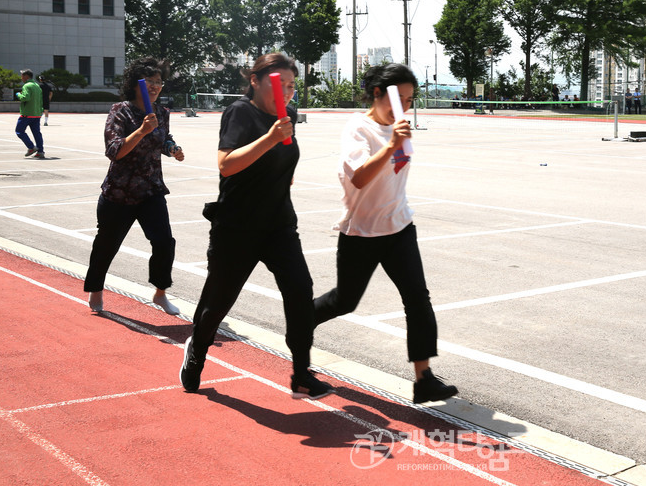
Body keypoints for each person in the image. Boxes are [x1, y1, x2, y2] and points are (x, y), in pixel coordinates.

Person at [180, 53, 333, 400]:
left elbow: (286, 161)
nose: (289, 92)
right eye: (281, 84)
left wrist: (282, 177)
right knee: (217, 303)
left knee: (299, 292)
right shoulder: (239, 113)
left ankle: (301, 372)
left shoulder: (289, 115)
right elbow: (226, 166)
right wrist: (269, 138)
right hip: (237, 226)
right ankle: (198, 350)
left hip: (279, 225)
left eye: (293, 85)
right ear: (255, 80)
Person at [313, 63, 458, 405]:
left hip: (399, 227)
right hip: (361, 232)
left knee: (417, 299)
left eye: (409, 100)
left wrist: (397, 137)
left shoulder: (401, 127)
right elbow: (360, 178)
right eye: (397, 99)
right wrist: (392, 143)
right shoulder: (357, 128)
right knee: (344, 301)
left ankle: (424, 379)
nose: (403, 108)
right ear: (378, 94)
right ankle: (301, 324)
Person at [83, 58, 184, 315]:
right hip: (120, 192)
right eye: (149, 82)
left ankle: (160, 293)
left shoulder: (161, 113)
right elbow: (114, 151)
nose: (155, 87)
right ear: (135, 83)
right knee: (106, 244)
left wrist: (172, 148)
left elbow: (162, 139)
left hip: (151, 189)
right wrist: (140, 131)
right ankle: (96, 290)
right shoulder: (120, 110)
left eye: (159, 82)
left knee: (164, 242)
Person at [15, 69, 45, 158]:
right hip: (37, 114)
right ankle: (40, 151)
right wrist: (40, 111)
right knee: (37, 133)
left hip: (27, 114)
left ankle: (31, 147)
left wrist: (18, 94)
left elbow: (25, 97)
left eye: (22, 76)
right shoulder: (37, 86)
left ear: (26, 76)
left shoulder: (27, 86)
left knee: (19, 131)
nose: (21, 78)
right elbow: (40, 101)